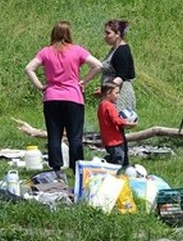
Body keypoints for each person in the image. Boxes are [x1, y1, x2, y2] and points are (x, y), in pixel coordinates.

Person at [24, 21, 103, 175]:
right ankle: (77, 167)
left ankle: (56, 168)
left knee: (54, 134)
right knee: (75, 135)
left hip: (52, 97)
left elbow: (29, 68)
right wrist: (84, 81)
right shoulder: (77, 50)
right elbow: (98, 65)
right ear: (69, 34)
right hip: (73, 96)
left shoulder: (46, 52)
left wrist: (41, 86)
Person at [83, 20, 137, 112]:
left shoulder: (122, 51)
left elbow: (121, 76)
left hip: (121, 95)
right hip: (111, 93)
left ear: (117, 34)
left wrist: (106, 90)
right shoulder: (114, 49)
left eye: (108, 33)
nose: (105, 36)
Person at [97, 83, 137, 166]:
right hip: (115, 140)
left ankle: (103, 164)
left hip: (107, 139)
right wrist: (128, 124)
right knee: (118, 159)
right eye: (116, 93)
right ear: (108, 93)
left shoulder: (101, 105)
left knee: (114, 156)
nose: (118, 96)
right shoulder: (109, 106)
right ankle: (113, 173)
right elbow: (116, 120)